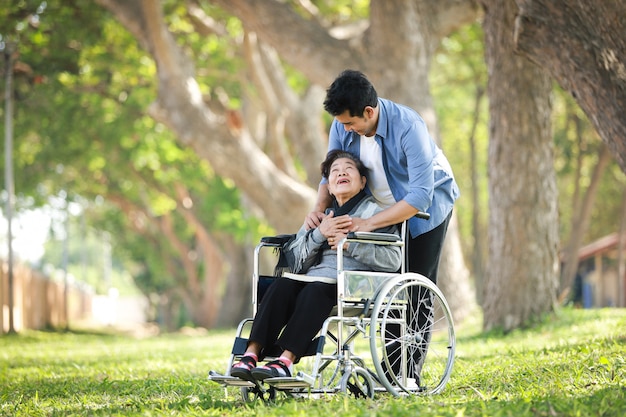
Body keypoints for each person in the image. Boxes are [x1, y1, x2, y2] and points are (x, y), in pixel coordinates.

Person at [306, 69, 459, 379]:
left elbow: (419, 196)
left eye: (350, 123)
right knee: (388, 284)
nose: (344, 129)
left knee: (413, 286)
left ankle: (407, 375)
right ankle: (391, 371)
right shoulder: (343, 124)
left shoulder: (408, 126)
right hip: (380, 204)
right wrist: (318, 210)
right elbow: (330, 172)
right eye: (341, 123)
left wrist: (369, 224)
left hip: (425, 206)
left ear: (369, 112)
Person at [230, 150, 402, 382]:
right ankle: (250, 355)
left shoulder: (376, 214)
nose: (341, 172)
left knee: (315, 290)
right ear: (329, 187)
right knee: (281, 285)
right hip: (310, 279)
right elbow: (295, 261)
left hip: (348, 284)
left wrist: (349, 245)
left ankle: (285, 360)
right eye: (335, 171)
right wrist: (319, 234)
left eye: (348, 168)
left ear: (363, 182)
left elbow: (394, 260)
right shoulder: (318, 217)